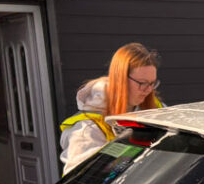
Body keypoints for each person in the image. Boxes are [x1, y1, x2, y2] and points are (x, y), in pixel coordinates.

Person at [59, 43, 162, 173]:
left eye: (152, 83)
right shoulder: (87, 129)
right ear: (120, 80)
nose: (148, 90)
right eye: (142, 83)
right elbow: (79, 182)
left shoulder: (154, 106)